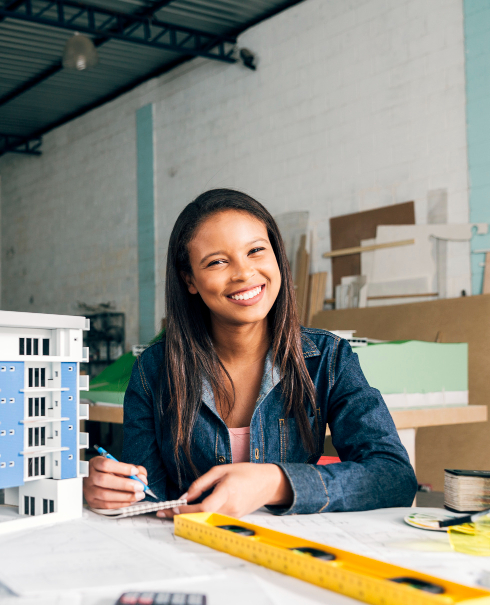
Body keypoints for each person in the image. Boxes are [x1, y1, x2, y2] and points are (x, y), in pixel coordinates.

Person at [83, 189, 417, 517]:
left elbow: (395, 477)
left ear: (277, 257)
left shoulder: (328, 358)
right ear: (190, 279)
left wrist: (275, 482)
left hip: (293, 552)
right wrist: (109, 489)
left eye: (256, 251)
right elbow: (147, 495)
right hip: (189, 551)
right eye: (217, 261)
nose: (243, 273)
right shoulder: (153, 370)